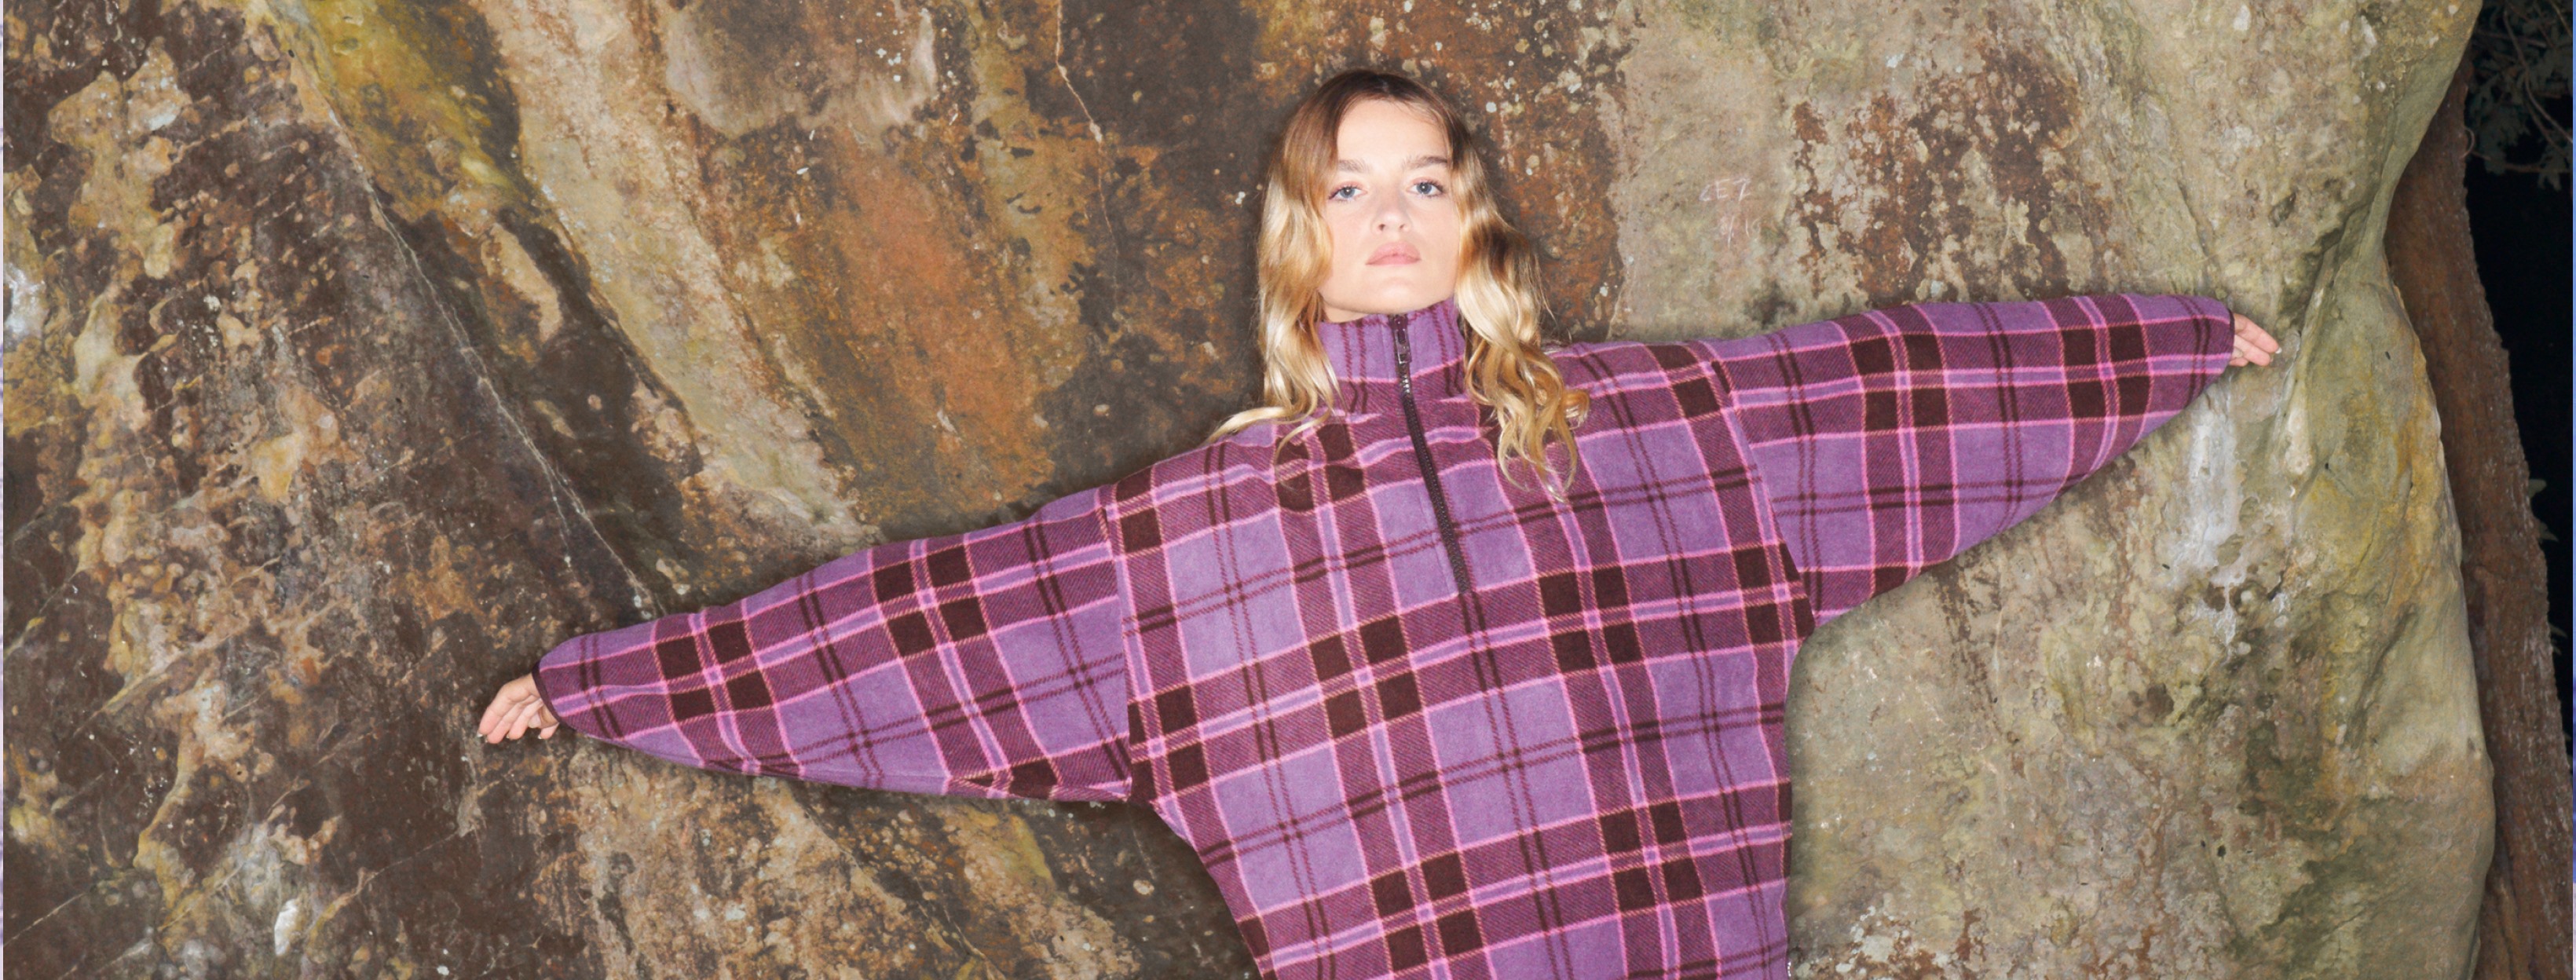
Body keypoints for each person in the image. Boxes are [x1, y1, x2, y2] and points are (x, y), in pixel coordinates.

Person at [479, 68, 2278, 980]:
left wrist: (2167, 345)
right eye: (1349, 189)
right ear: (1299, 236)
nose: (1393, 215)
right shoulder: (1176, 542)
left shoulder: (1668, 425)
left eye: (1427, 181)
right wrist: (611, 686)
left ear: (1475, 220)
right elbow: (918, 628)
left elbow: (1904, 387)